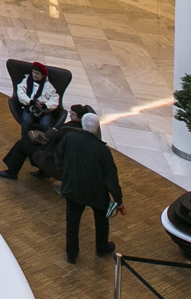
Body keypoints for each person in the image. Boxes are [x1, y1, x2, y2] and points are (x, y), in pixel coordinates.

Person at [56, 112, 122, 263]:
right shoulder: (103, 151)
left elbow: (58, 157)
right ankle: (101, 248)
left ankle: (71, 254)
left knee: (72, 222)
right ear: (98, 129)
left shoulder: (70, 138)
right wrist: (118, 199)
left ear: (82, 126)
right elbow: (111, 178)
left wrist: (65, 175)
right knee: (101, 221)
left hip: (73, 189)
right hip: (97, 193)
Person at [7, 62, 62, 136]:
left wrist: (46, 105)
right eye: (33, 72)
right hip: (29, 107)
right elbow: (20, 93)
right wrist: (30, 101)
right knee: (26, 122)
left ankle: (44, 143)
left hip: (44, 110)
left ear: (43, 75)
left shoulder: (48, 86)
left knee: (45, 125)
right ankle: (25, 141)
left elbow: (54, 98)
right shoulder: (26, 81)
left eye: (37, 73)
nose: (34, 75)